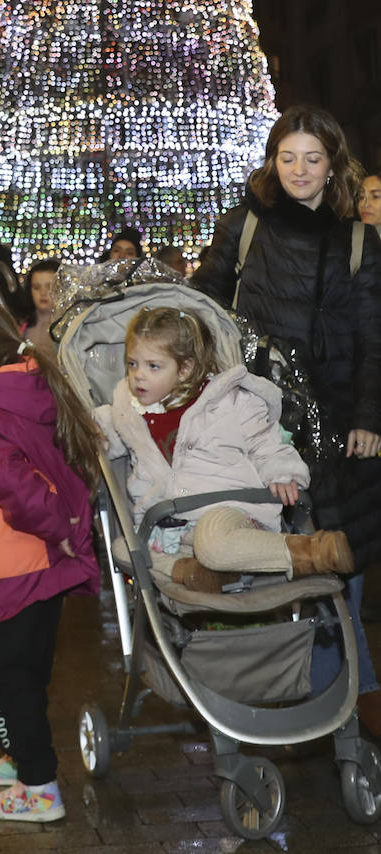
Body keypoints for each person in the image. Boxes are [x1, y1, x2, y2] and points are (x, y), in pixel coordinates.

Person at [191, 104, 381, 731]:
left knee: (335, 551)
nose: (299, 169)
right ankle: (281, 690)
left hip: (335, 424)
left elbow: (372, 338)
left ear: (333, 167)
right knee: (266, 554)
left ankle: (342, 697)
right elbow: (203, 308)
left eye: (313, 158)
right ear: (273, 162)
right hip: (256, 419)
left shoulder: (358, 239)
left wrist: (368, 415)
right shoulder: (244, 223)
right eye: (288, 156)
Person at [0, 299, 100, 824]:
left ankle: (39, 785)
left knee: (11, 680)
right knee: (30, 670)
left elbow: (19, 490)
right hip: (42, 565)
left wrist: (61, 530)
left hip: (15, 567)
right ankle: (21, 758)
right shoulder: (29, 387)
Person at [95, 305, 353, 593]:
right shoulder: (127, 413)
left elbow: (264, 442)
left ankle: (310, 552)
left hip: (230, 517)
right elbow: (104, 441)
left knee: (212, 541)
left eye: (152, 366)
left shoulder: (229, 402)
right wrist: (91, 433)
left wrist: (282, 473)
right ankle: (193, 572)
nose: (138, 376)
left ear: (185, 369)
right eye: (132, 364)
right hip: (169, 530)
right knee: (123, 546)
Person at [20, 258, 61, 357]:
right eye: (36, 287)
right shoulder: (20, 326)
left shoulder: (70, 328)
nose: (43, 293)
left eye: (49, 287)